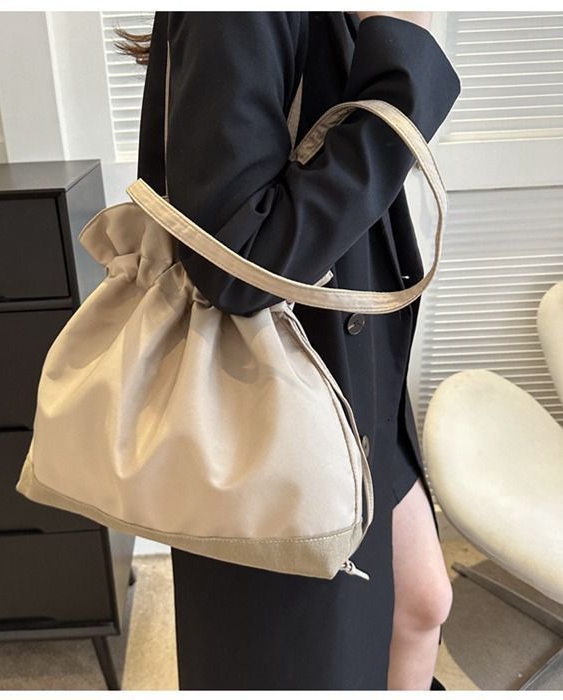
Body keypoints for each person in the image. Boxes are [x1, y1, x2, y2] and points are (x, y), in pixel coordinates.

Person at [118, 10, 461, 690]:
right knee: (306, 658)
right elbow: (239, 264)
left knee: (419, 601)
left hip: (345, 376)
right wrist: (402, 72)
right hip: (278, 395)